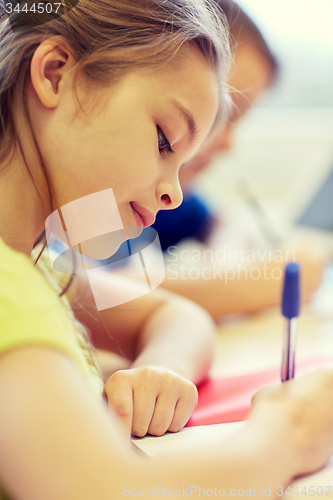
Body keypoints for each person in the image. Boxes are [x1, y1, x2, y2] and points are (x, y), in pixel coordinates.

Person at [1, 1, 333, 500]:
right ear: (54, 74)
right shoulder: (10, 285)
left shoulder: (42, 268)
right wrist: (291, 433)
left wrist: (161, 369)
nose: (174, 194)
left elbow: (175, 315)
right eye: (163, 140)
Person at [149, 0, 325, 319]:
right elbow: (90, 294)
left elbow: (218, 219)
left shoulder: (170, 201)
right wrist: (259, 282)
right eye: (224, 113)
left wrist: (224, 265)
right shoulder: (118, 195)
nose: (228, 142)